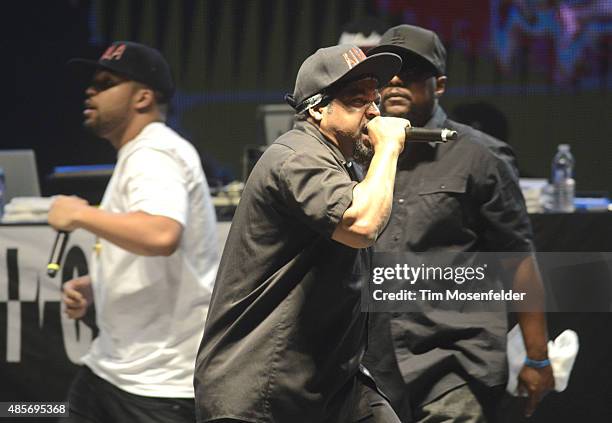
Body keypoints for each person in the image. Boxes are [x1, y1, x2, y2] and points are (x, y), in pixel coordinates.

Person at [194, 44, 408, 423]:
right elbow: (362, 224)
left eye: (374, 99)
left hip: (328, 384)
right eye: (357, 100)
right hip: (260, 388)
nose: (375, 111)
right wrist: (388, 147)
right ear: (317, 108)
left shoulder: (341, 163)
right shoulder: (296, 156)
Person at [363, 25, 554, 422]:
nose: (396, 80)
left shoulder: (482, 158)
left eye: (413, 71)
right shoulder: (362, 155)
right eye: (387, 72)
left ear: (441, 84)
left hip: (454, 362)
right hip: (373, 367)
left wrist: (537, 358)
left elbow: (517, 259)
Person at [48, 41, 219, 423]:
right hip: (112, 367)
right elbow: (146, 242)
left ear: (142, 98)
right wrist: (98, 283)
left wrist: (79, 215)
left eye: (106, 82)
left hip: (155, 387)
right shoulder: (141, 153)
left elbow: (160, 234)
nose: (90, 90)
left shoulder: (153, 153)